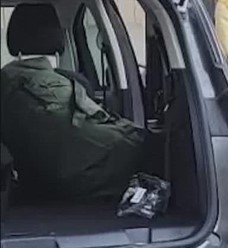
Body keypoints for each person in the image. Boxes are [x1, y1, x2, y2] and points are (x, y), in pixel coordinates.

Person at [0, 3, 146, 202]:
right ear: (58, 41)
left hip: (19, 196)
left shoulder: (5, 83)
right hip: (79, 199)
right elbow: (101, 138)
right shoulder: (73, 85)